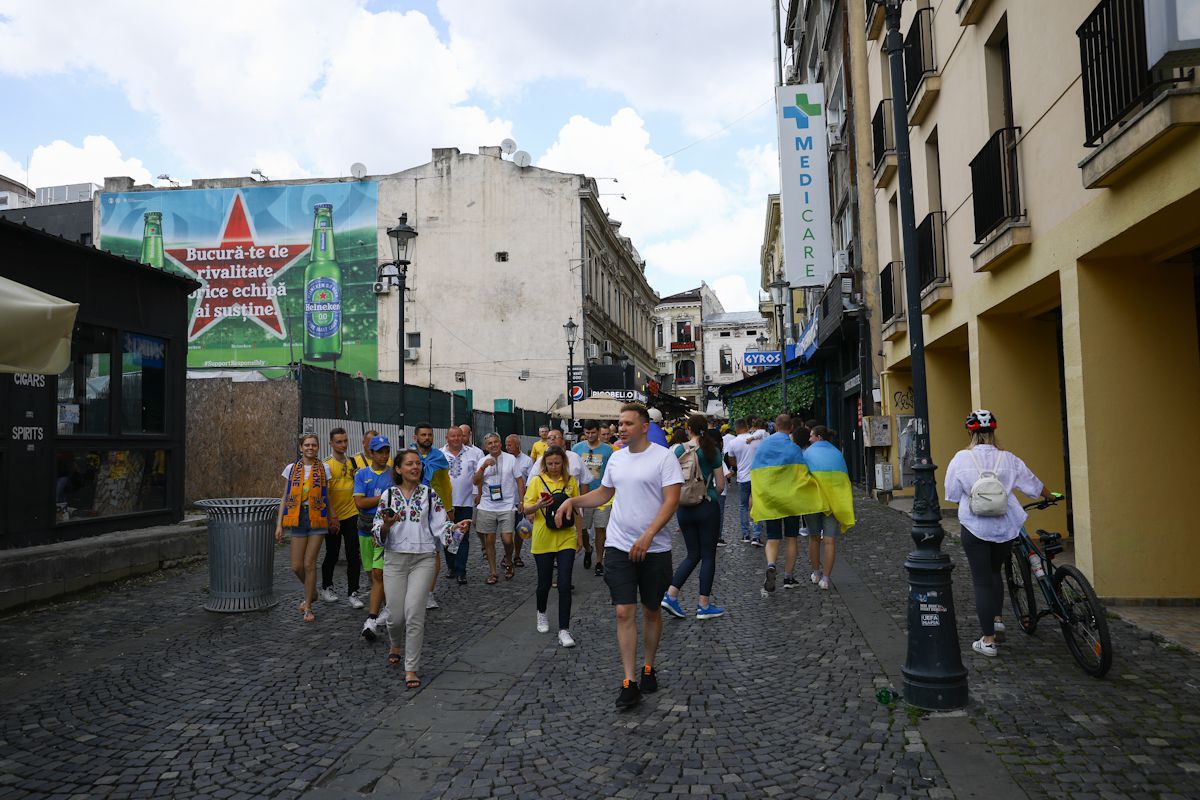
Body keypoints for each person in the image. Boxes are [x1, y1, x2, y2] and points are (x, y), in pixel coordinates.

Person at [556, 403, 683, 710]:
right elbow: (604, 493)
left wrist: (650, 533)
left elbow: (672, 500)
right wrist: (573, 500)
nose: (621, 428)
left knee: (651, 610)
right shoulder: (616, 459)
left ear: (643, 427)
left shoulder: (664, 458)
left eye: (627, 423)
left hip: (654, 548)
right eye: (619, 423)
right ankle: (629, 681)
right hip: (618, 545)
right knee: (623, 612)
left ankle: (649, 666)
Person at [944, 410, 1053, 657]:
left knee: (981, 581)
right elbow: (1032, 484)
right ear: (993, 431)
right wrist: (1050, 495)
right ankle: (998, 619)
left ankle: (989, 640)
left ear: (971, 432)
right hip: (1005, 527)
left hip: (975, 527)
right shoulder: (1008, 458)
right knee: (996, 573)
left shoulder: (961, 459)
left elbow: (951, 493)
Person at [374, 450, 471, 688]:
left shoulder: (430, 494)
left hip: (424, 559)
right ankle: (395, 643)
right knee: (395, 616)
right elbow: (376, 533)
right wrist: (386, 526)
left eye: (418, 464)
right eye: (409, 464)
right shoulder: (387, 496)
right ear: (398, 469)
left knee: (415, 613)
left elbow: (441, 526)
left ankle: (411, 668)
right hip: (395, 559)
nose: (415, 467)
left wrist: (456, 529)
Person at [749, 415, 826, 594]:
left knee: (773, 538)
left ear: (775, 426)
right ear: (791, 427)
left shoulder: (763, 447)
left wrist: (755, 499)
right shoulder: (794, 449)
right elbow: (803, 474)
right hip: (791, 501)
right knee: (791, 538)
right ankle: (788, 577)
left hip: (771, 501)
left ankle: (771, 565)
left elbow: (756, 475)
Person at [661, 415, 726, 619]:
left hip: (683, 507)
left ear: (688, 428)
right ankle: (703, 605)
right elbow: (721, 484)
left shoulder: (677, 450)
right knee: (708, 555)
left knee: (692, 554)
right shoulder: (711, 450)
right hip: (706, 505)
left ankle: (671, 594)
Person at [524, 445, 583, 647]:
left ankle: (564, 630)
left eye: (557, 463)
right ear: (544, 464)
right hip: (543, 537)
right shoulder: (537, 481)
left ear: (564, 463)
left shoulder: (571, 481)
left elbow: (577, 509)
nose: (554, 467)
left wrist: (581, 537)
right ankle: (541, 612)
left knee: (565, 584)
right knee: (544, 583)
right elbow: (525, 508)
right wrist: (537, 506)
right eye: (550, 464)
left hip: (566, 536)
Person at [275, 433, 333, 622]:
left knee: (309, 563)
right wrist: (279, 524)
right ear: (301, 448)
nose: (310, 448)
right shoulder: (291, 469)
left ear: (318, 447)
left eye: (313, 445)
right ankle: (312, 591)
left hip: (317, 517)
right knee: (296, 566)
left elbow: (327, 496)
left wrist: (332, 516)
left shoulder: (324, 468)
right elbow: (285, 497)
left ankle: (307, 606)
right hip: (297, 517)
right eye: (307, 445)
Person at [803, 425, 856, 590]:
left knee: (813, 537)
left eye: (811, 436)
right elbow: (844, 480)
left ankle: (816, 572)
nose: (809, 439)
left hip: (813, 501)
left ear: (818, 437)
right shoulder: (837, 453)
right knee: (830, 541)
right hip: (833, 503)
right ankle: (825, 579)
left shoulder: (807, 453)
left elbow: (803, 478)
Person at [354, 435, 394, 639]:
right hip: (364, 528)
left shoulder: (393, 474)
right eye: (380, 452)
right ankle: (387, 606)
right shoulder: (362, 475)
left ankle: (381, 613)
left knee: (379, 573)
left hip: (384, 528)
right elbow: (360, 503)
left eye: (387, 451)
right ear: (371, 453)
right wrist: (383, 497)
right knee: (371, 574)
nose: (384, 455)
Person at [321, 427, 364, 609]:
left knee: (354, 555)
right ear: (331, 443)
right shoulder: (326, 465)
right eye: (339, 441)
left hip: (352, 514)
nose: (343, 444)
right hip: (333, 516)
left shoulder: (353, 462)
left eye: (345, 441)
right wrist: (332, 516)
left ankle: (353, 592)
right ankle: (327, 586)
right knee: (332, 553)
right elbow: (325, 492)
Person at [473, 433, 525, 582]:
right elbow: (475, 481)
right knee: (489, 540)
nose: (493, 445)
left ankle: (508, 560)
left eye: (496, 442)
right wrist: (483, 467)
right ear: (485, 446)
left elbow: (520, 481)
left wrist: (521, 501)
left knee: (507, 539)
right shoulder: (482, 461)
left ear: (500, 444)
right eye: (490, 443)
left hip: (507, 505)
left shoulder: (511, 459)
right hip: (487, 505)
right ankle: (493, 572)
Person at [412, 423, 452, 609]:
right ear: (415, 437)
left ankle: (428, 592)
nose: (427, 438)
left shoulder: (439, 457)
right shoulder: (408, 456)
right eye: (423, 435)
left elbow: (445, 485)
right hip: (411, 510)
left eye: (430, 434)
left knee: (434, 552)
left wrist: (448, 509)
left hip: (433, 510)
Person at [572, 420, 615, 576]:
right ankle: (588, 549)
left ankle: (599, 561)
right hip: (583, 496)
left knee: (600, 529)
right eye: (587, 433)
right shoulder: (577, 449)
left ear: (598, 431)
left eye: (593, 433)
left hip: (603, 496)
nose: (590, 436)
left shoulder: (608, 450)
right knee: (582, 529)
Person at [442, 426, 481, 584]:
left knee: (462, 536)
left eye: (459, 436)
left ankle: (461, 570)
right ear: (447, 438)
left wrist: (478, 494)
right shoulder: (439, 454)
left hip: (465, 502)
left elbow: (479, 476)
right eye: (453, 436)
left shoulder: (473, 453)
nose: (457, 439)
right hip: (445, 504)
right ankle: (451, 565)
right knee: (448, 535)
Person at [724, 419, 762, 545]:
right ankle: (756, 536)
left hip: (742, 477)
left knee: (743, 506)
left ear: (736, 428)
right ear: (747, 426)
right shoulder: (756, 440)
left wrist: (739, 466)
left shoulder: (733, 442)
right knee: (757, 504)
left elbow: (731, 460)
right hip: (757, 476)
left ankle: (745, 535)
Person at [506, 434, 535, 568]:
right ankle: (507, 555)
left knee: (519, 530)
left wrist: (525, 501)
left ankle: (517, 555)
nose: (507, 447)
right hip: (505, 501)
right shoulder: (504, 459)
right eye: (506, 445)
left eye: (509, 445)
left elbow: (529, 482)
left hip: (519, 501)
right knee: (506, 532)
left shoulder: (527, 461)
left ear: (517, 445)